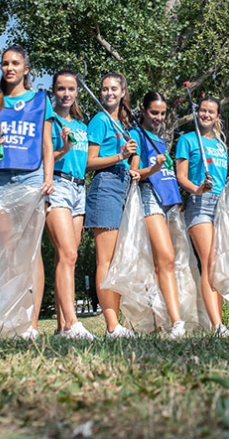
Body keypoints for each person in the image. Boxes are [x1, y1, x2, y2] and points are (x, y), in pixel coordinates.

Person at [0, 45, 55, 340]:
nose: (8, 68)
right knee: (7, 252)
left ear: (26, 69)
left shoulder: (40, 101)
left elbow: (47, 144)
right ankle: (10, 316)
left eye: (14, 64)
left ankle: (31, 323)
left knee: (29, 251)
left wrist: (48, 177)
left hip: (30, 178)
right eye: (4, 64)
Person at [83, 72, 139, 338]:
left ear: (123, 91)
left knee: (118, 260)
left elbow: (132, 160)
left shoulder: (125, 125)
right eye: (104, 89)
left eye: (113, 89)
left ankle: (117, 324)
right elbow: (87, 162)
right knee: (105, 261)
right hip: (104, 186)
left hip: (124, 187)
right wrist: (120, 155)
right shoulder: (99, 121)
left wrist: (134, 168)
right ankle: (111, 325)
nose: (108, 93)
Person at [130, 91, 186, 338]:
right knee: (166, 257)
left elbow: (166, 174)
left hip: (166, 202)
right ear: (143, 110)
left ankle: (160, 320)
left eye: (162, 114)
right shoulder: (136, 135)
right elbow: (134, 173)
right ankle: (176, 321)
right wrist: (154, 167)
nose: (158, 118)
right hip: (147, 197)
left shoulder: (159, 140)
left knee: (161, 262)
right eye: (154, 112)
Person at [175, 96, 229, 336]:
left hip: (222, 204)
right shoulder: (187, 140)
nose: (206, 115)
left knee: (216, 266)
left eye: (211, 112)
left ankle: (215, 322)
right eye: (203, 111)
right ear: (197, 113)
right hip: (199, 204)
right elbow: (181, 176)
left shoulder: (220, 145)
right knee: (208, 261)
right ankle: (218, 325)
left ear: (218, 116)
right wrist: (197, 189)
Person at [46, 69, 93, 340]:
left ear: (77, 92)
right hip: (58, 185)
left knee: (67, 258)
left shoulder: (82, 127)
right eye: (61, 88)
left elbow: (86, 161)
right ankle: (74, 324)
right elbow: (42, 157)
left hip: (79, 189)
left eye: (71, 89)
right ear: (54, 90)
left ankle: (62, 327)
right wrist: (62, 149)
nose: (66, 93)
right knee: (68, 254)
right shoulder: (48, 121)